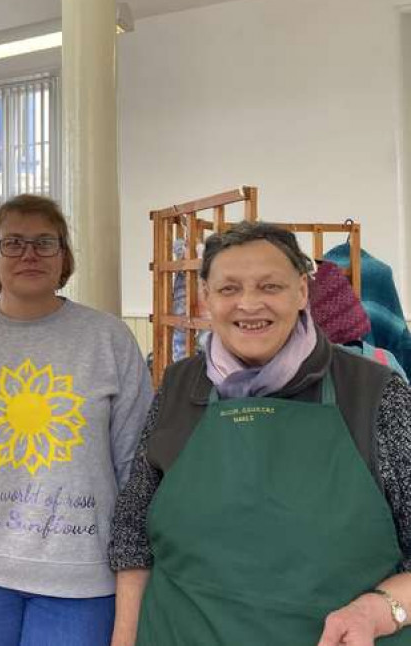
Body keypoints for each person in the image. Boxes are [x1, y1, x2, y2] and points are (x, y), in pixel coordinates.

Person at [108, 221, 411, 646]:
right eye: (229, 289)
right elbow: (132, 533)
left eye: (270, 286)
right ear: (205, 298)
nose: (249, 304)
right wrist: (124, 639)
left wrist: (377, 610)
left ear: (303, 292)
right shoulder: (179, 387)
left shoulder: (375, 393)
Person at [0, 193, 154, 646]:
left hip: (81, 570)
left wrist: (131, 563)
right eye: (14, 243)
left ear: (64, 256)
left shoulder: (108, 339)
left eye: (45, 243)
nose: (29, 254)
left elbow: (134, 463)